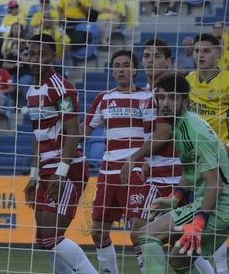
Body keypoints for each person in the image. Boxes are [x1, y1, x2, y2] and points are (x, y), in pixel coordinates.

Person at [135, 72, 229, 274]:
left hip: (221, 205)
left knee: (146, 235)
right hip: (221, 205)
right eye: (161, 97)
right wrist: (176, 198)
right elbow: (193, 169)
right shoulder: (181, 125)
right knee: (178, 261)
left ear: (185, 102)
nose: (165, 103)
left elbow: (215, 184)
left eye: (172, 98)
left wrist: (198, 223)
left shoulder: (193, 132)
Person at [22, 33, 98, 274]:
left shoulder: (61, 87)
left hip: (67, 169)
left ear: (54, 57)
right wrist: (33, 175)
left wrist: (61, 173)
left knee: (52, 237)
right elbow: (38, 136)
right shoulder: (31, 92)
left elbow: (73, 132)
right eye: (32, 54)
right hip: (46, 169)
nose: (36, 59)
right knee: (43, 240)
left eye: (42, 54)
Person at [84, 49, 153, 274]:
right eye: (117, 66)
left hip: (136, 172)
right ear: (112, 71)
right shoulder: (104, 98)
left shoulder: (148, 98)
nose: (121, 69)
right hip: (108, 174)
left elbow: (156, 135)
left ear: (135, 69)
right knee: (97, 232)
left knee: (139, 233)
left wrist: (145, 161)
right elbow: (84, 130)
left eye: (126, 65)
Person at [121, 39, 183, 268]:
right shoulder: (149, 94)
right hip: (157, 174)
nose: (150, 61)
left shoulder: (167, 93)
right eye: (146, 56)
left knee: (155, 236)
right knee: (147, 235)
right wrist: (147, 160)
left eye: (156, 56)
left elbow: (163, 133)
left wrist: (133, 158)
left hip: (174, 175)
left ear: (168, 62)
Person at [185, 33, 229, 272]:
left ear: (218, 53)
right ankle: (218, 269)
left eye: (206, 50)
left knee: (219, 213)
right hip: (198, 160)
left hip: (225, 157)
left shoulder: (228, 81)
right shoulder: (188, 81)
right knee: (210, 213)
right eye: (196, 51)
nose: (200, 55)